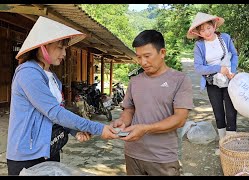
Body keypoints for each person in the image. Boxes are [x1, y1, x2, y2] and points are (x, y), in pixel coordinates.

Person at [6, 16, 118, 176]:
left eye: (64, 48)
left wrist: (74, 131)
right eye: (60, 47)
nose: (64, 53)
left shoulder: (53, 78)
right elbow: (54, 112)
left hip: (49, 149)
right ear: (42, 47)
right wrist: (98, 128)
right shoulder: (28, 73)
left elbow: (58, 115)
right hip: (26, 155)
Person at [111, 30, 193, 176]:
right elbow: (129, 109)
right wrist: (122, 122)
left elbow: (180, 119)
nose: (143, 62)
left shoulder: (179, 80)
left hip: (162, 158)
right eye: (139, 57)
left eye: (147, 56)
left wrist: (146, 129)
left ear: (162, 52)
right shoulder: (134, 81)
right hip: (133, 154)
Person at [186, 12, 238, 140]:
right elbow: (198, 68)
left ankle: (230, 142)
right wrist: (218, 69)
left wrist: (232, 70)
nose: (207, 32)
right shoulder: (199, 45)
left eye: (208, 28)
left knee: (231, 111)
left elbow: (234, 55)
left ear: (214, 26)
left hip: (229, 79)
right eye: (202, 30)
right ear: (198, 33)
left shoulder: (225, 37)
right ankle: (222, 141)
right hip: (212, 81)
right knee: (218, 112)